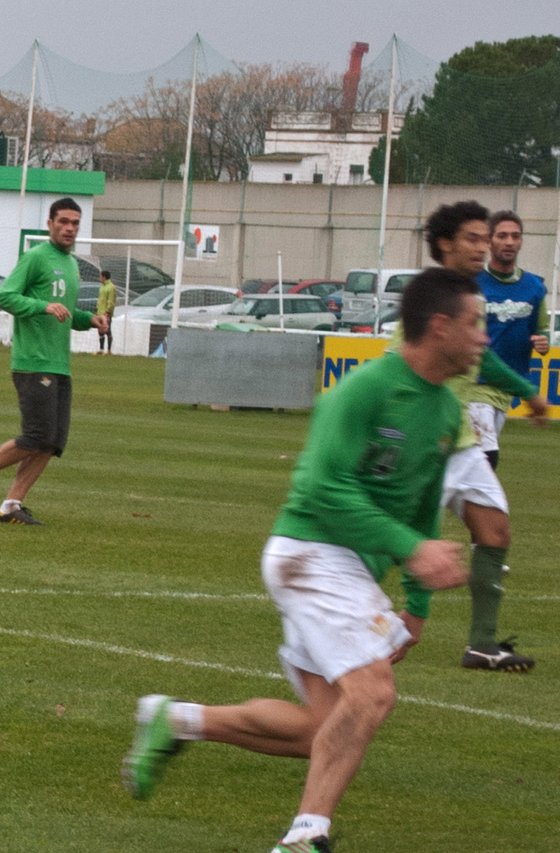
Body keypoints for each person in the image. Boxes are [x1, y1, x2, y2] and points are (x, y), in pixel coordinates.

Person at [121, 268, 479, 853]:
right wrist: (413, 550)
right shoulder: (364, 391)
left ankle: (178, 720)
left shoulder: (442, 411)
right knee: (374, 694)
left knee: (323, 727)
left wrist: (417, 601)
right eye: (474, 324)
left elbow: (420, 504)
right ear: (440, 327)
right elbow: (323, 489)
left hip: (344, 569)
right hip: (310, 553)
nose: (483, 337)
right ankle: (305, 837)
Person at [423, 202, 545, 672]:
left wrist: (526, 393)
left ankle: (481, 644)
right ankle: (362, 616)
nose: (486, 246)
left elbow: (484, 358)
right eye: (474, 239)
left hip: (460, 440)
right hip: (425, 440)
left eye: (486, 238)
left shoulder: (468, 295)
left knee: (494, 529)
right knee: (393, 543)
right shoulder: (432, 294)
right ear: (446, 245)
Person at [0, 198, 107, 525]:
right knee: (36, 436)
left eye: (75, 223)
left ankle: (11, 505)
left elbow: (64, 312)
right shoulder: (36, 257)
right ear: (50, 223)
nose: (69, 228)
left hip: (59, 364)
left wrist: (89, 319)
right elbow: (6, 296)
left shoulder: (71, 264)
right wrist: (42, 306)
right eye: (63, 221)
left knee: (51, 443)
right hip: (33, 362)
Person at [472, 209, 549, 472]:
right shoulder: (475, 283)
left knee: (475, 461)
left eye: (515, 236)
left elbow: (542, 329)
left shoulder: (535, 287)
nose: (509, 242)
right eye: (502, 235)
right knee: (486, 457)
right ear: (490, 241)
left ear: (521, 241)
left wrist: (543, 342)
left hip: (505, 390)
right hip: (476, 384)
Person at [95, 270, 117, 353]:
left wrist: (108, 311)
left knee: (107, 330)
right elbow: (100, 300)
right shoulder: (102, 287)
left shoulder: (111, 287)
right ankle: (101, 349)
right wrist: (97, 310)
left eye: (100, 276)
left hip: (106, 313)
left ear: (104, 277)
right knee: (100, 330)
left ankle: (109, 350)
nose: (99, 278)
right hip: (100, 312)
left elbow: (111, 301)